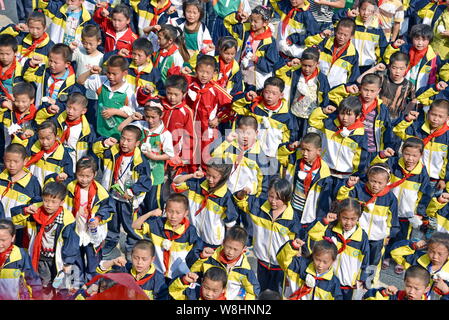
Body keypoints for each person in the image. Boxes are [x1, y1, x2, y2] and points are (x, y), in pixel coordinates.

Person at [11, 182, 79, 299]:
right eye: (46, 200)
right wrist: (25, 210)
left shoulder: (66, 219)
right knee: (43, 281)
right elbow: (15, 219)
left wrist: (68, 262)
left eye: (53, 202)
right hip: (40, 255)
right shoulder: (35, 210)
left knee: (59, 281)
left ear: (62, 202)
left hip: (57, 257)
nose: (48, 205)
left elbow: (71, 243)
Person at [373, 138, 432, 274]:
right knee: (388, 234)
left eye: (414, 155)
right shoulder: (393, 164)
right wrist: (382, 156)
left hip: (408, 212)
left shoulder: (422, 173)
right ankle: (386, 256)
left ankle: (400, 260)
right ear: (402, 152)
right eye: (407, 154)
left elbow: (426, 194)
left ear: (421, 156)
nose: (410, 158)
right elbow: (376, 169)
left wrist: (420, 212)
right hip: (390, 209)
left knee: (403, 236)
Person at [92, 125, 152, 257]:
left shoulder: (140, 161)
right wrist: (104, 143)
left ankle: (132, 245)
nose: (124, 143)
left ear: (137, 143)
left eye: (129, 140)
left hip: (128, 200)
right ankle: (111, 241)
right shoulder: (113, 151)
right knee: (112, 221)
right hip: (112, 195)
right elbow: (96, 150)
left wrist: (131, 191)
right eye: (123, 138)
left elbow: (146, 182)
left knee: (129, 224)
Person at [336, 163, 400, 287]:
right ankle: (355, 280)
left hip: (377, 237)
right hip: (358, 235)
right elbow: (342, 199)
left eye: (380, 183)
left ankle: (369, 284)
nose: (375, 185)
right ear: (368, 178)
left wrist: (387, 235)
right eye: (372, 181)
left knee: (374, 262)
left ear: (387, 181)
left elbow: (392, 221)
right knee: (358, 260)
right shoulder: (358, 190)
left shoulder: (390, 198)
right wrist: (348, 186)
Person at [234, 177, 301, 294]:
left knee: (277, 295)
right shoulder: (258, 206)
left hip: (280, 267)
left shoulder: (293, 219)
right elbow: (240, 200)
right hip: (261, 262)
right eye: (271, 196)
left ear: (286, 198)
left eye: (278, 198)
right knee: (261, 293)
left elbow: (298, 242)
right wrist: (242, 192)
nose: (273, 201)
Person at [172, 55, 233, 164]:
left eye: (208, 73)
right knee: (186, 154)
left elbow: (232, 106)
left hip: (206, 128)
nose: (204, 75)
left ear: (214, 73)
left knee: (205, 156)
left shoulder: (216, 89)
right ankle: (186, 176)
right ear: (196, 70)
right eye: (201, 71)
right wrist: (180, 71)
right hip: (188, 126)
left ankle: (204, 177)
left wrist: (218, 119)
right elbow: (171, 76)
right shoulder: (189, 81)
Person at [306, 199, 370, 300]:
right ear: (339, 215)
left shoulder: (362, 237)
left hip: (347, 285)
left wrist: (363, 280)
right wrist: (325, 221)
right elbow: (313, 235)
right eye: (345, 218)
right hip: (326, 281)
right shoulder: (331, 230)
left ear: (358, 217)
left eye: (353, 219)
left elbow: (366, 262)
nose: (348, 223)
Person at [131, 193, 203, 280]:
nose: (173, 216)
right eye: (170, 211)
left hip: (178, 276)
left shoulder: (190, 231)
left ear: (186, 213)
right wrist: (150, 213)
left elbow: (195, 254)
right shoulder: (156, 224)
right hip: (157, 274)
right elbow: (135, 225)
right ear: (165, 210)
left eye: (178, 213)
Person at [64, 156, 113, 283]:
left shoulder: (101, 193)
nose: (84, 179)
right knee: (76, 259)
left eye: (87, 176)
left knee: (93, 260)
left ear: (95, 174)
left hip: (92, 233)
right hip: (76, 230)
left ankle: (93, 284)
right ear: (76, 173)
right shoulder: (70, 188)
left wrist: (98, 218)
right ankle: (78, 285)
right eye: (81, 175)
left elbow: (108, 210)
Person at [119, 101, 174, 211]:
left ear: (161, 115)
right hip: (139, 174)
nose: (150, 120)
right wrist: (131, 118)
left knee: (153, 204)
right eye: (147, 116)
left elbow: (169, 155)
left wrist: (153, 157)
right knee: (138, 204)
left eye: (153, 117)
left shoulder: (165, 134)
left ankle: (155, 226)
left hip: (155, 175)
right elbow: (121, 129)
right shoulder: (140, 125)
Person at [172, 158, 238, 248]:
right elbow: (176, 182)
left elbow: (230, 224)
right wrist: (191, 175)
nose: (210, 179)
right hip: (193, 235)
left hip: (212, 241)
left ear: (223, 177)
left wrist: (227, 244)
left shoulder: (225, 197)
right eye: (208, 174)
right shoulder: (197, 184)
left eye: (214, 177)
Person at [277, 133, 333, 239]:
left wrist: (320, 220)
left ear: (318, 151)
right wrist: (290, 147)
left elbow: (324, 201)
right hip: (291, 208)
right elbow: (279, 155)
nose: (305, 153)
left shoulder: (323, 172)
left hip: (308, 214)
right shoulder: (295, 160)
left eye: (308, 150)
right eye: (302, 149)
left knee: (303, 240)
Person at [329, 73, 394, 158]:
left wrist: (387, 147)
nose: (368, 94)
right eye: (365, 89)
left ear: (379, 91)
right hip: (348, 148)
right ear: (360, 87)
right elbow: (331, 95)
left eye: (372, 91)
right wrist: (346, 89)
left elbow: (387, 130)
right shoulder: (351, 101)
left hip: (372, 151)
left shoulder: (382, 109)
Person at [211, 115, 278, 197]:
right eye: (241, 132)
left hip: (244, 200)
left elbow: (263, 185)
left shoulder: (260, 157)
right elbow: (213, 156)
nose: (245, 136)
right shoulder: (228, 145)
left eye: (249, 133)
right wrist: (227, 141)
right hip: (224, 194)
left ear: (256, 133)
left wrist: (255, 202)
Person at [232, 76, 298, 158]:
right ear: (263, 91)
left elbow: (288, 141)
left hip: (273, 157)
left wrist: (285, 152)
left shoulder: (287, 117)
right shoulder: (254, 107)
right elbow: (235, 106)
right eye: (267, 92)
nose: (269, 96)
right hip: (252, 153)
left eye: (274, 93)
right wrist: (246, 97)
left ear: (281, 95)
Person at [308, 96, 369, 185]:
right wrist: (323, 111)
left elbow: (360, 160)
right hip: (324, 171)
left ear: (358, 116)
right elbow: (313, 121)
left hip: (344, 177)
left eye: (349, 114)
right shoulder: (330, 124)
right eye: (342, 113)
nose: (344, 118)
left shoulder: (360, 136)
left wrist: (356, 175)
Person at [393, 99, 449, 195]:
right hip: (415, 176)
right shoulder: (417, 129)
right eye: (433, 115)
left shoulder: (447, 136)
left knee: (429, 206)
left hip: (435, 181)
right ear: (428, 113)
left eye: (440, 116)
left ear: (447, 118)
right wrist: (407, 119)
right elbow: (397, 131)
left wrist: (444, 179)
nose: (436, 119)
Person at [189, 226, 260, 300]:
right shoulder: (210, 257)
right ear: (223, 243)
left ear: (244, 249)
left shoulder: (245, 270)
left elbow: (253, 291)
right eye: (228, 247)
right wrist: (202, 257)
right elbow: (193, 271)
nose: (230, 252)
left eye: (235, 249)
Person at [78, 55, 137, 140]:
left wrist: (115, 111)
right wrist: (90, 72)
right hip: (100, 131)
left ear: (125, 73)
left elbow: (133, 114)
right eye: (108, 73)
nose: (110, 76)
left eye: (114, 74)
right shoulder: (101, 81)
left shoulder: (129, 92)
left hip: (117, 136)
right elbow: (80, 81)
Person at [35, 92, 97, 173]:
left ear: (83, 111)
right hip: (57, 163)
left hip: (76, 166)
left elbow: (93, 150)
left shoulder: (87, 129)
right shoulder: (57, 120)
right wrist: (48, 111)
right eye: (68, 107)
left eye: (75, 109)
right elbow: (39, 121)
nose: (70, 111)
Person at [275, 47, 330, 137]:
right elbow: (278, 72)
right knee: (292, 137)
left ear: (317, 64)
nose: (307, 69)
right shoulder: (294, 73)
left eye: (310, 66)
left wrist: (323, 111)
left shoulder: (321, 79)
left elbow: (325, 96)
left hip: (310, 117)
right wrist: (288, 64)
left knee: (306, 139)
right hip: (294, 113)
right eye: (304, 65)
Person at [224, 5, 278, 91]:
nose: (252, 23)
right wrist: (237, 17)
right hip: (239, 71)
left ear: (265, 23)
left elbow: (271, 65)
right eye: (251, 20)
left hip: (255, 79)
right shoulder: (245, 30)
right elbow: (226, 23)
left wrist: (256, 59)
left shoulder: (270, 42)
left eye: (256, 21)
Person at [96, 240, 169, 300]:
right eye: (136, 258)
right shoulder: (125, 268)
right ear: (131, 256)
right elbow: (100, 270)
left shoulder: (158, 278)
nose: (139, 262)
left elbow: (162, 297)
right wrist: (112, 262)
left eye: (144, 259)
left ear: (152, 259)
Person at [384, 24, 446, 92]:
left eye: (424, 40)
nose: (420, 43)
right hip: (400, 89)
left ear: (429, 40)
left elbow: (440, 75)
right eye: (417, 39)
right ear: (412, 38)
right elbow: (388, 60)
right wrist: (394, 47)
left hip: (421, 93)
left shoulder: (434, 57)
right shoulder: (404, 50)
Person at [332, 0, 388, 74]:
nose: (365, 13)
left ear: (374, 12)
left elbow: (382, 49)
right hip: (348, 62)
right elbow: (335, 20)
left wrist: (382, 63)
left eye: (369, 11)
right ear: (358, 8)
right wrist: (346, 14)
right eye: (363, 9)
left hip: (368, 66)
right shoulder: (352, 23)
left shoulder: (377, 30)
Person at [276, 239, 343, 300]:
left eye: (325, 262)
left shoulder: (333, 283)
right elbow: (283, 260)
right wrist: (292, 247)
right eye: (317, 260)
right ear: (313, 255)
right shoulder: (300, 266)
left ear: (333, 261)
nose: (320, 265)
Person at [357, 52, 416, 121]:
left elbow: (413, 101)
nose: (397, 71)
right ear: (389, 66)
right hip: (377, 117)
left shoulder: (409, 85)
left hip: (395, 119)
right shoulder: (382, 78)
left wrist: (406, 115)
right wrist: (375, 68)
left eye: (401, 69)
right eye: (394, 68)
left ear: (406, 68)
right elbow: (359, 81)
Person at [390, 232, 449, 300]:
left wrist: (447, 291)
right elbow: (394, 252)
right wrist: (412, 245)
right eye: (432, 251)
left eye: (440, 254)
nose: (435, 256)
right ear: (427, 248)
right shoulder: (417, 259)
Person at [304, 17, 360, 89]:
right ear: (335, 31)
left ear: (352, 36)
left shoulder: (353, 54)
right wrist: (321, 36)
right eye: (339, 33)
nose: (341, 37)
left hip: (335, 93)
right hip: (314, 86)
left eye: (345, 35)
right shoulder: (324, 42)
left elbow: (353, 78)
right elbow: (308, 44)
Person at [69, 24, 104, 129]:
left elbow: (103, 75)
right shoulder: (79, 51)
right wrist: (70, 49)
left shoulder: (101, 57)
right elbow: (68, 58)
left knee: (91, 120)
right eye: (85, 43)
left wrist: (101, 70)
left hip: (93, 95)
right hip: (78, 90)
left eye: (91, 44)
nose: (87, 46)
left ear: (99, 42)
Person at [23, 43, 78, 107]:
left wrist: (56, 103)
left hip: (58, 114)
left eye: (55, 62)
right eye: (50, 61)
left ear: (67, 64)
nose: (51, 64)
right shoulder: (43, 73)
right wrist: (31, 64)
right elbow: (27, 76)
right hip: (40, 111)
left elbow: (71, 104)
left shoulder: (71, 83)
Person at [0, 219, 42, 300]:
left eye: (3, 240)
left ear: (13, 238)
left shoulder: (21, 255)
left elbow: (32, 280)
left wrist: (37, 296)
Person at [25, 120, 74, 187]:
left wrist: (61, 180)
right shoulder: (32, 148)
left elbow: (69, 179)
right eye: (41, 138)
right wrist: (23, 137)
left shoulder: (63, 157)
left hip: (50, 194)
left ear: (56, 136)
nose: (44, 142)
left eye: (48, 138)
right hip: (32, 191)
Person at [0, 144, 41, 219]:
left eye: (16, 161)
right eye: (8, 161)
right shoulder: (1, 176)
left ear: (25, 161)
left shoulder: (32, 183)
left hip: (19, 228)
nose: (12, 165)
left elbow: (36, 206)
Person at [170, 0, 215, 65]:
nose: (191, 15)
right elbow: (164, 29)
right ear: (184, 11)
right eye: (188, 12)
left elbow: (208, 49)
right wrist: (167, 14)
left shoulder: (203, 29)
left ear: (200, 14)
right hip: (180, 59)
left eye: (195, 13)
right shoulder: (177, 23)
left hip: (196, 61)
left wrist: (204, 52)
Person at [0, 82, 37, 154]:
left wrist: (32, 133)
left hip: (22, 154)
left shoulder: (35, 116)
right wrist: (3, 103)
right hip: (4, 150)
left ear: (32, 100)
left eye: (24, 101)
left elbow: (37, 131)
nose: (20, 104)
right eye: (17, 101)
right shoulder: (8, 111)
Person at [363, 265, 432, 300]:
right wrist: (384, 293)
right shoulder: (395, 296)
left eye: (416, 289)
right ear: (404, 282)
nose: (411, 291)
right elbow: (367, 296)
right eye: (408, 286)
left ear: (426, 289)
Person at [0, 34, 23, 101]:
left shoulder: (20, 69)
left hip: (15, 100)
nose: (4, 57)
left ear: (15, 52)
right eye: (1, 54)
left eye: (8, 54)